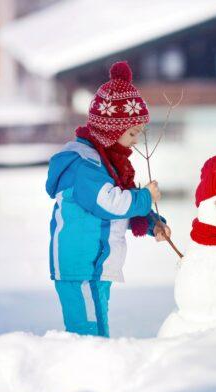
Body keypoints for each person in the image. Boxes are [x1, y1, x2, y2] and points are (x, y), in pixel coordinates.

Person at [45, 61, 171, 337]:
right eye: (132, 133)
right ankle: (86, 376)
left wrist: (151, 224)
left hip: (97, 264)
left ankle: (98, 374)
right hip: (80, 265)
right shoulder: (85, 165)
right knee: (87, 333)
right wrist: (145, 197)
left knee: (98, 327)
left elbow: (120, 208)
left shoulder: (107, 166)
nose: (137, 141)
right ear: (112, 131)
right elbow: (109, 203)